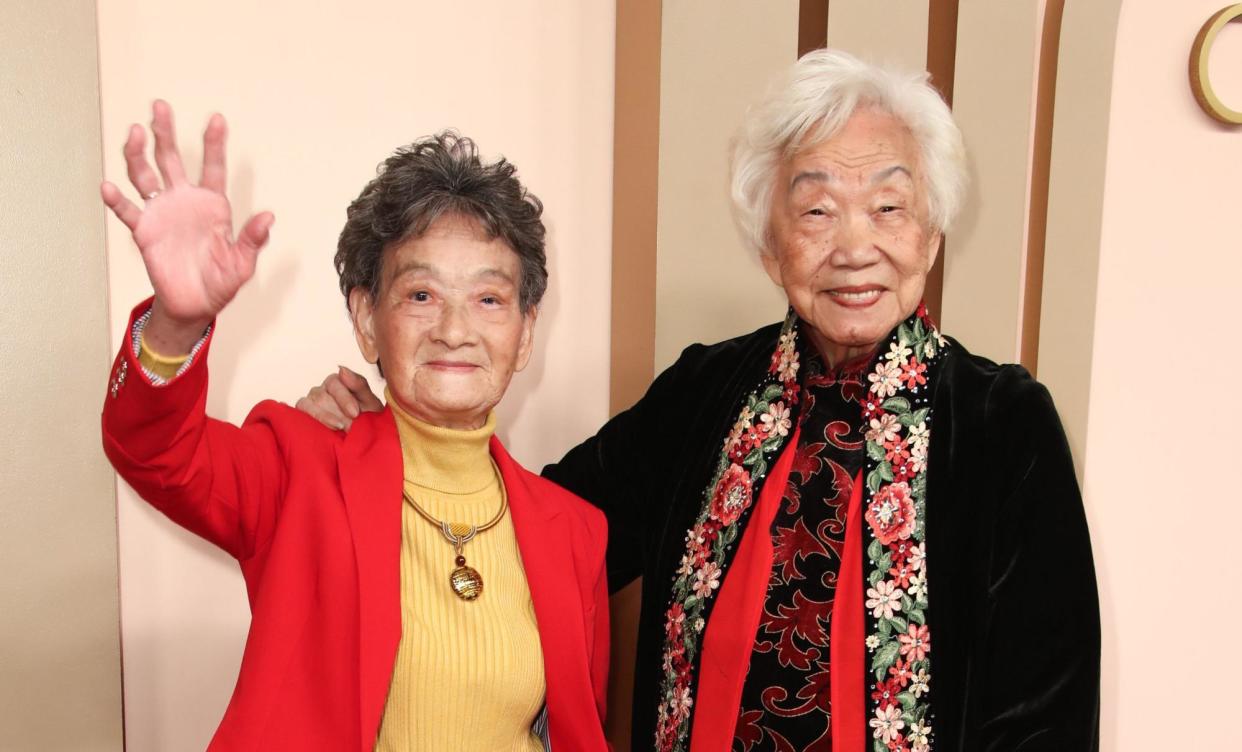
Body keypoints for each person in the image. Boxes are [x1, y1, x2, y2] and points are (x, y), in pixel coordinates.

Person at [298, 49, 1100, 751]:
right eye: (816, 210)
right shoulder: (707, 393)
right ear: (768, 243)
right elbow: (543, 534)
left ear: (930, 233)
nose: (856, 246)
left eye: (889, 207)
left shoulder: (1004, 425)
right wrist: (400, 445)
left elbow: (1046, 718)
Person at [100, 101, 610, 751]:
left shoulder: (574, 533)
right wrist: (176, 323)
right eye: (421, 295)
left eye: (489, 299)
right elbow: (154, 451)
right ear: (368, 319)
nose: (455, 330)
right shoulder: (297, 470)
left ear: (525, 331)